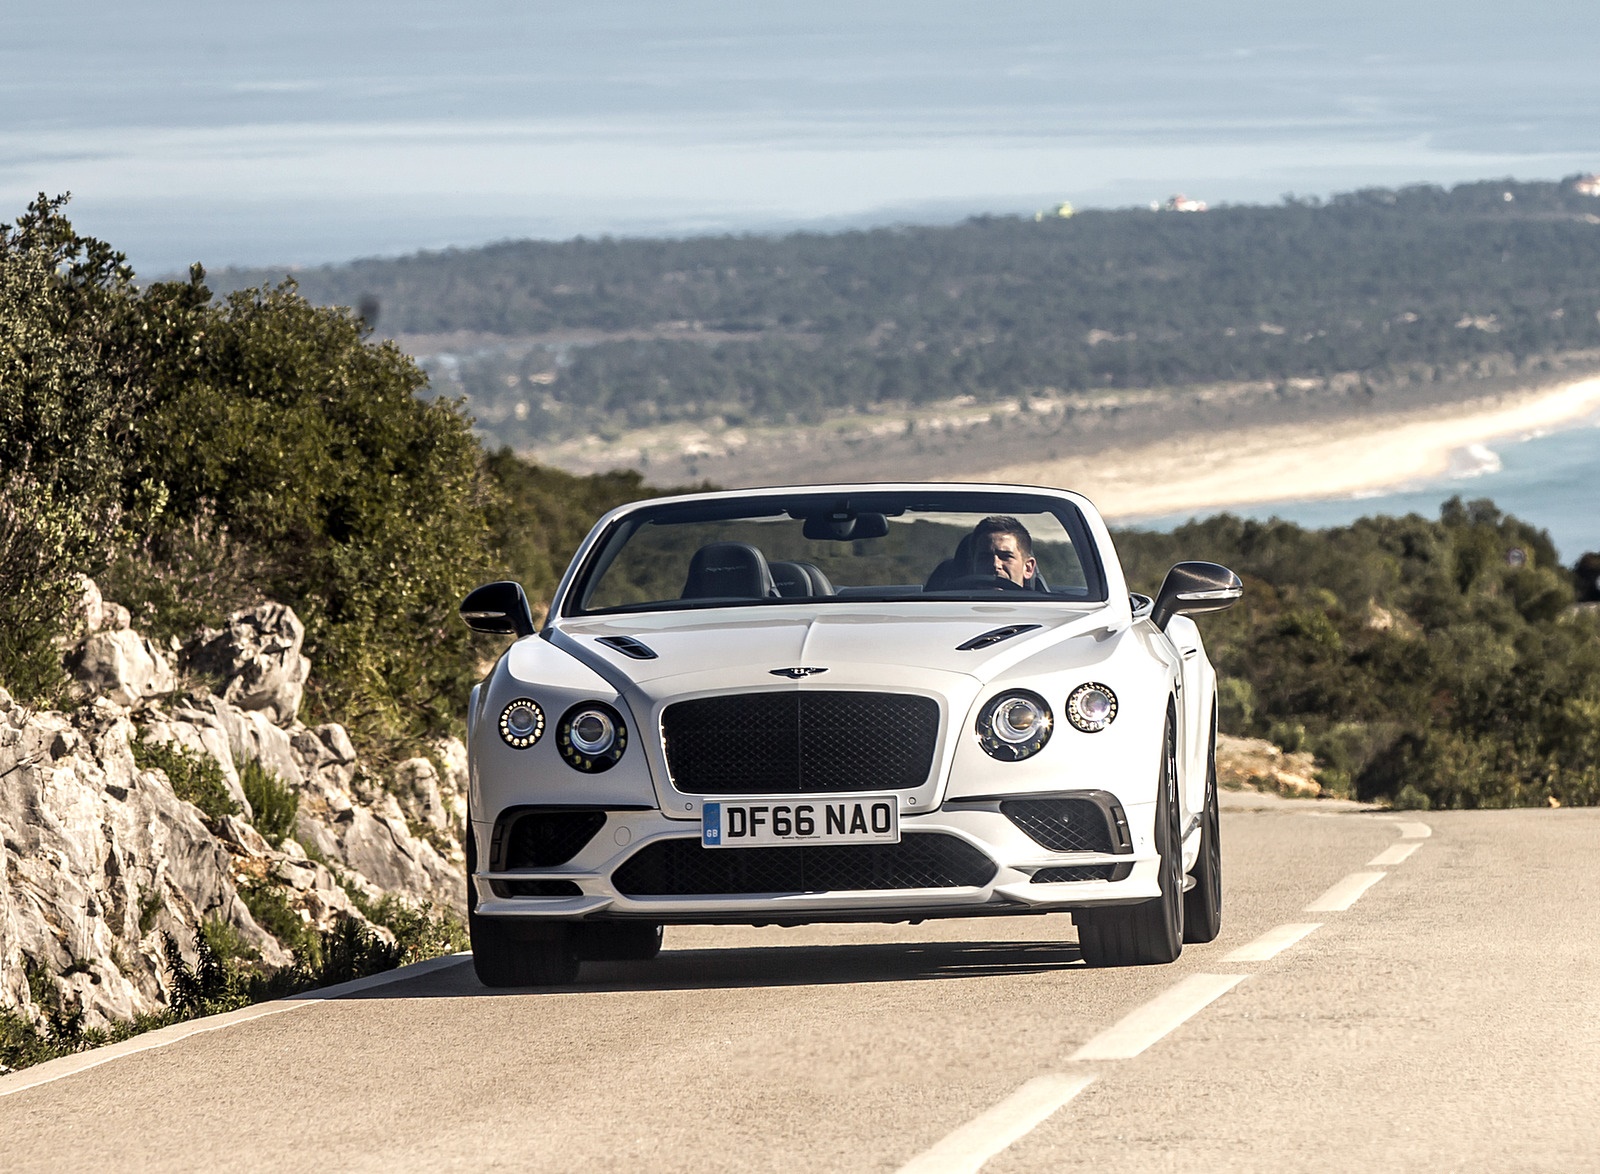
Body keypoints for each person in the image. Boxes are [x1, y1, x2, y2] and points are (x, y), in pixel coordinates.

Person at [971, 515, 1037, 588]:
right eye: (985, 557)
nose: (995, 564)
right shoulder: (958, 598)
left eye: (1006, 556)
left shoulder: (1045, 600)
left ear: (1028, 568)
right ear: (972, 565)